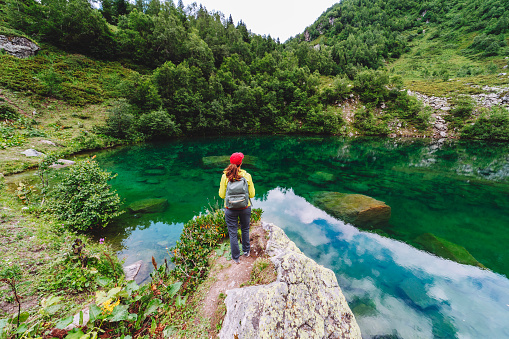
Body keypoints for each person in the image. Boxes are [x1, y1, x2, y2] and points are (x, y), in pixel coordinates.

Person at [218, 152, 255, 264]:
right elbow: (252, 194)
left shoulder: (225, 176)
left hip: (230, 209)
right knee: (245, 229)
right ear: (241, 163)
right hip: (245, 207)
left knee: (233, 232)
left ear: (231, 163)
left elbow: (222, 195)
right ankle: (246, 251)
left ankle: (235, 257)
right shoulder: (247, 176)